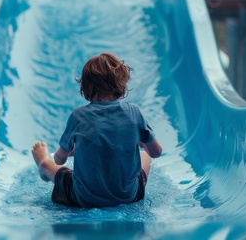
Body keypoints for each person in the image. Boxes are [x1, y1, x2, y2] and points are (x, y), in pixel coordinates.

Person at [31, 52, 162, 208]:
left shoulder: (78, 116)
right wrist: (138, 139)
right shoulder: (134, 112)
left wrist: (72, 150)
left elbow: (60, 159)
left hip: (82, 198)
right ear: (122, 83)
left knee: (49, 166)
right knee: (144, 156)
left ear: (84, 87)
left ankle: (42, 162)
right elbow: (156, 152)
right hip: (128, 197)